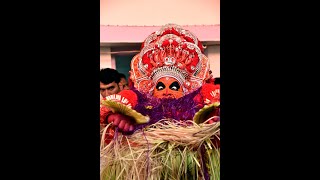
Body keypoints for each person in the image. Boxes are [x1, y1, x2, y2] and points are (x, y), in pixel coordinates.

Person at [100, 24, 220, 179]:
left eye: (174, 86)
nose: (167, 91)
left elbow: (213, 99)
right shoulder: (142, 102)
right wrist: (116, 117)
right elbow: (115, 106)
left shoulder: (196, 103)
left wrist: (213, 117)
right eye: (161, 86)